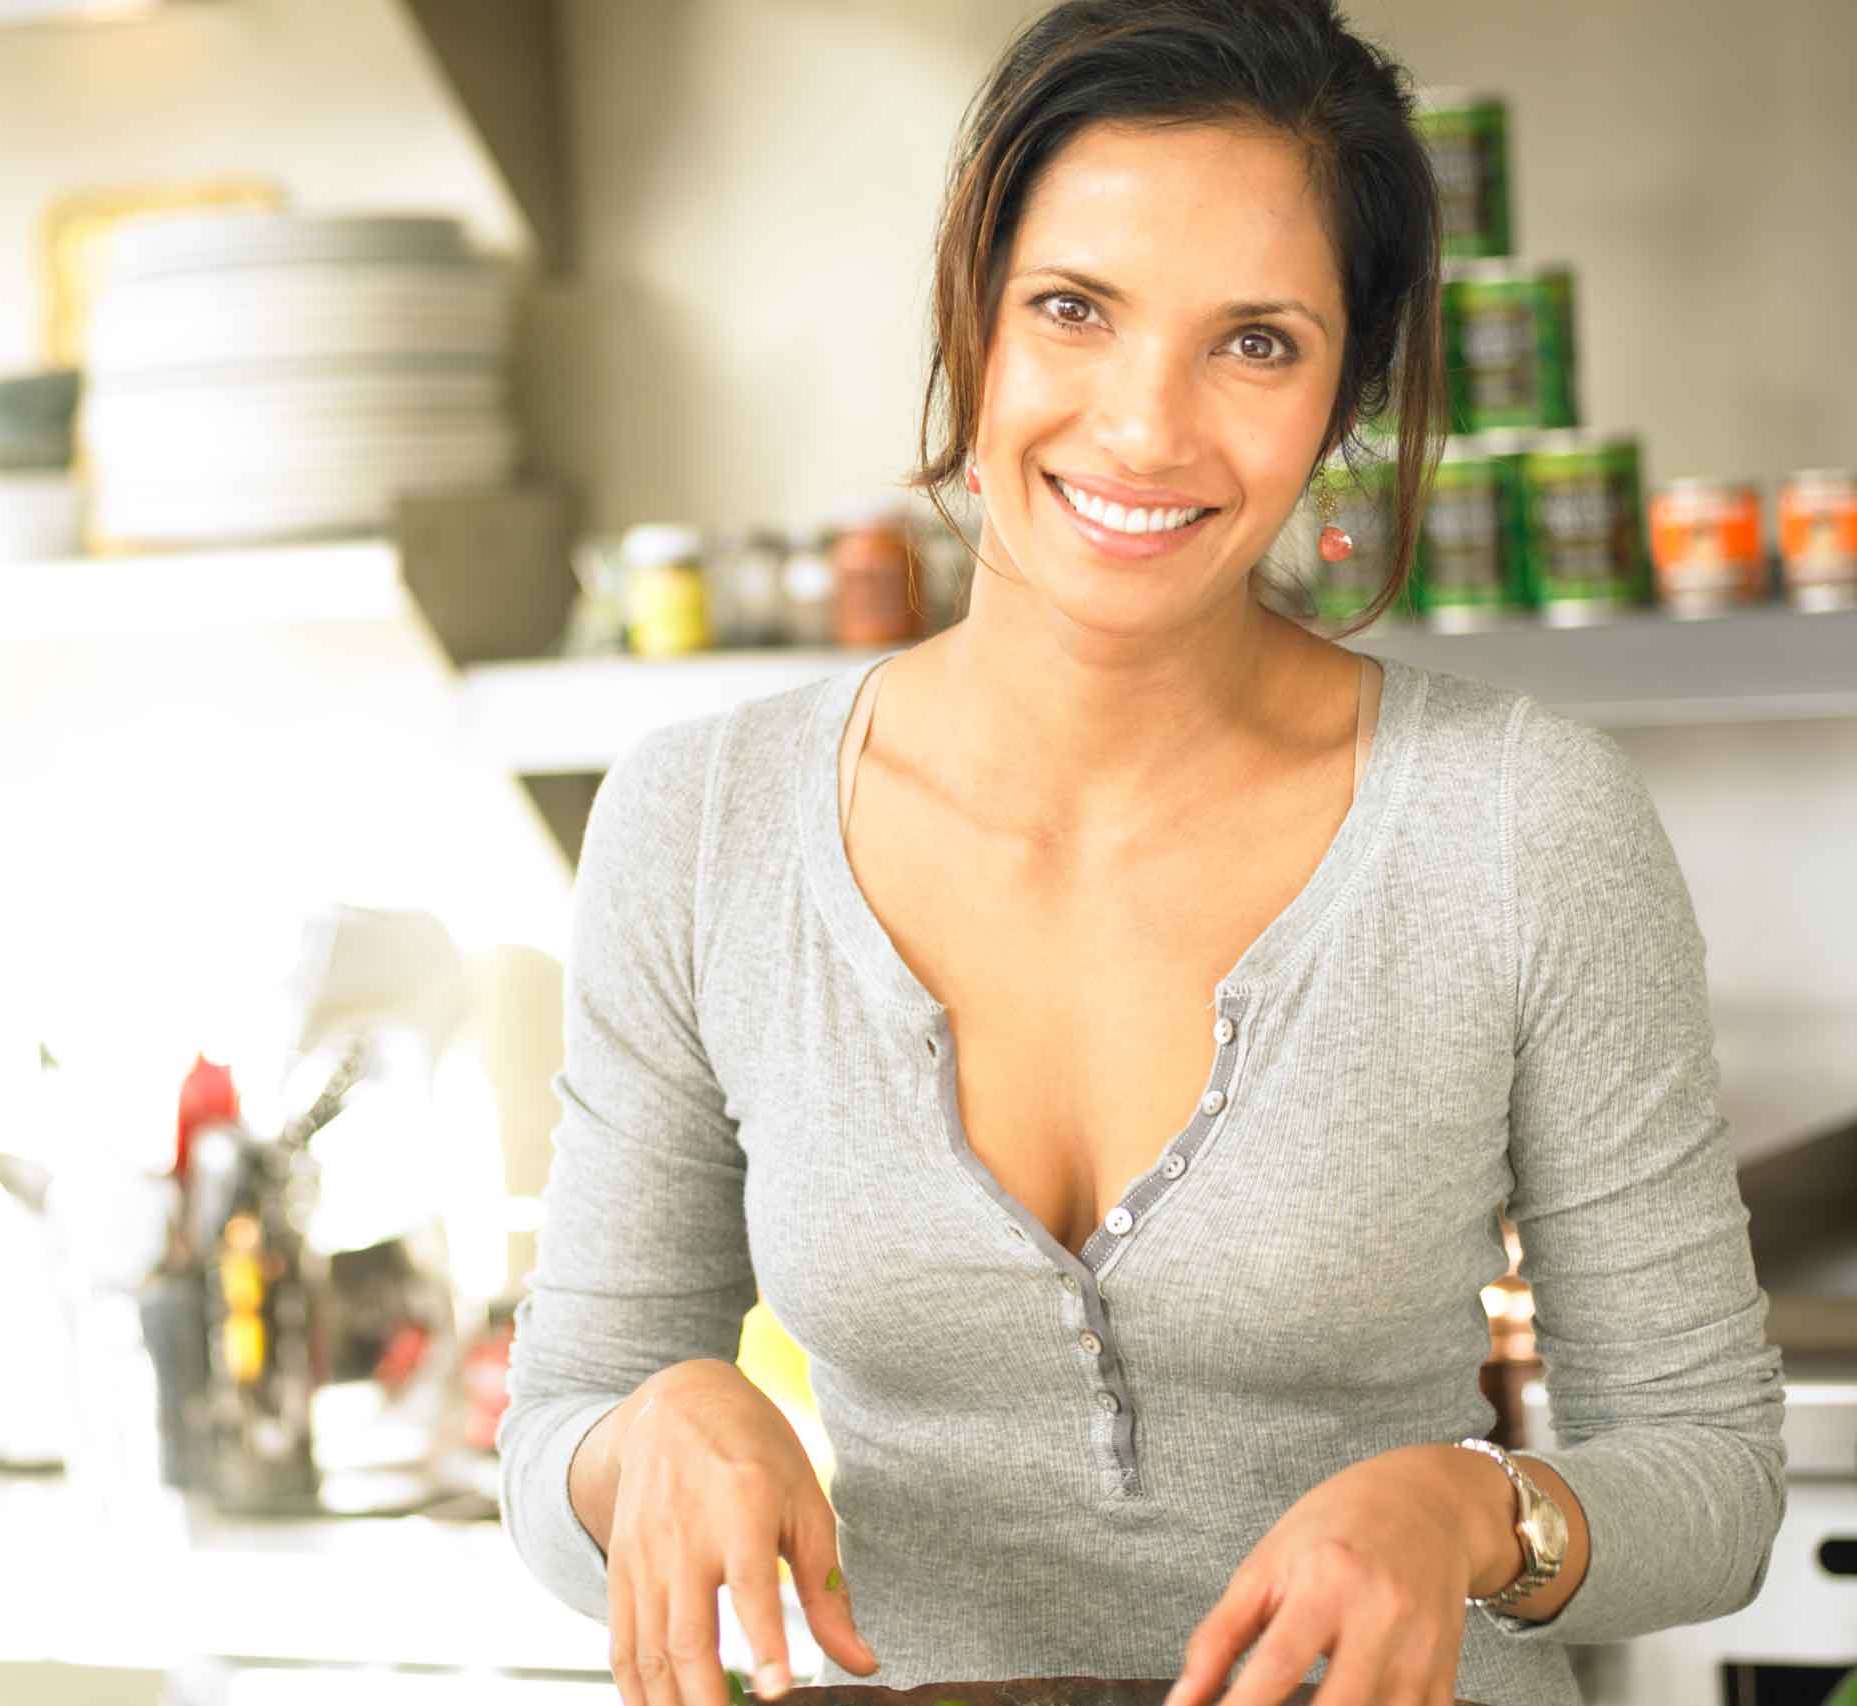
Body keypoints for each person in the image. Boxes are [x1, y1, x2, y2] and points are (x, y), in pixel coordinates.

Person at [497, 2, 1789, 1704]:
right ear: (973, 314)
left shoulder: (1520, 822)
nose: (1145, 426)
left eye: (1255, 342)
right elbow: (557, 1443)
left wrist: (1474, 1512)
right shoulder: (698, 824)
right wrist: (648, 1431)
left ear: (1345, 397)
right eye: (1074, 308)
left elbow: (1713, 1469)